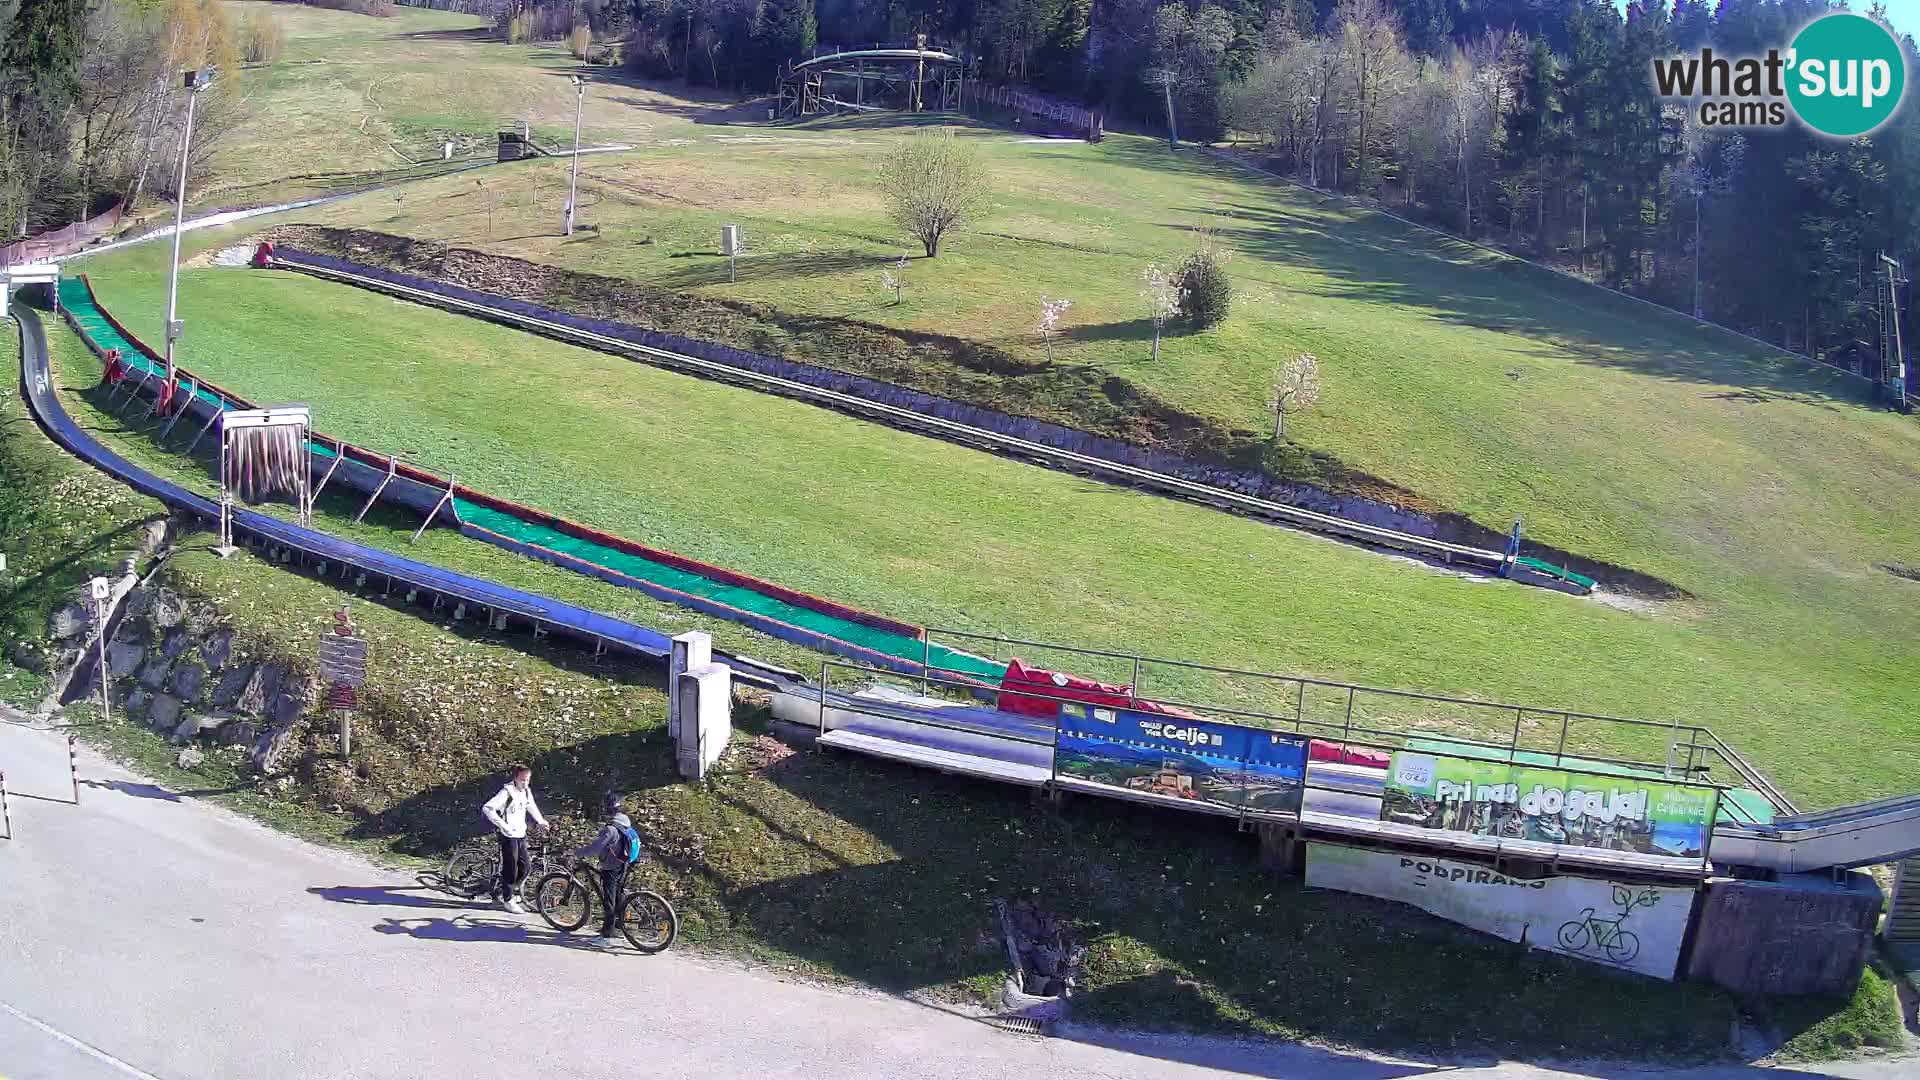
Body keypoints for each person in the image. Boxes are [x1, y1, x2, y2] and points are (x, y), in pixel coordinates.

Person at [572, 791, 640, 942]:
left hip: (611, 866)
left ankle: (606, 936)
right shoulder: (624, 820)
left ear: (607, 809)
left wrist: (579, 852)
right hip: (625, 863)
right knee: (617, 896)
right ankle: (617, 926)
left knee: (609, 900)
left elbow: (595, 848)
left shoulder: (610, 829)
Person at [480, 764, 548, 913]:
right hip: (508, 835)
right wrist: (503, 825)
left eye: (528, 780)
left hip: (520, 834)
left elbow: (531, 807)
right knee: (511, 868)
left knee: (525, 866)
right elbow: (487, 808)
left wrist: (541, 821)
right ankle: (508, 898)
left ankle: (505, 890)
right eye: (522, 780)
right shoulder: (506, 792)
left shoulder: (526, 792)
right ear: (515, 778)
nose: (525, 783)